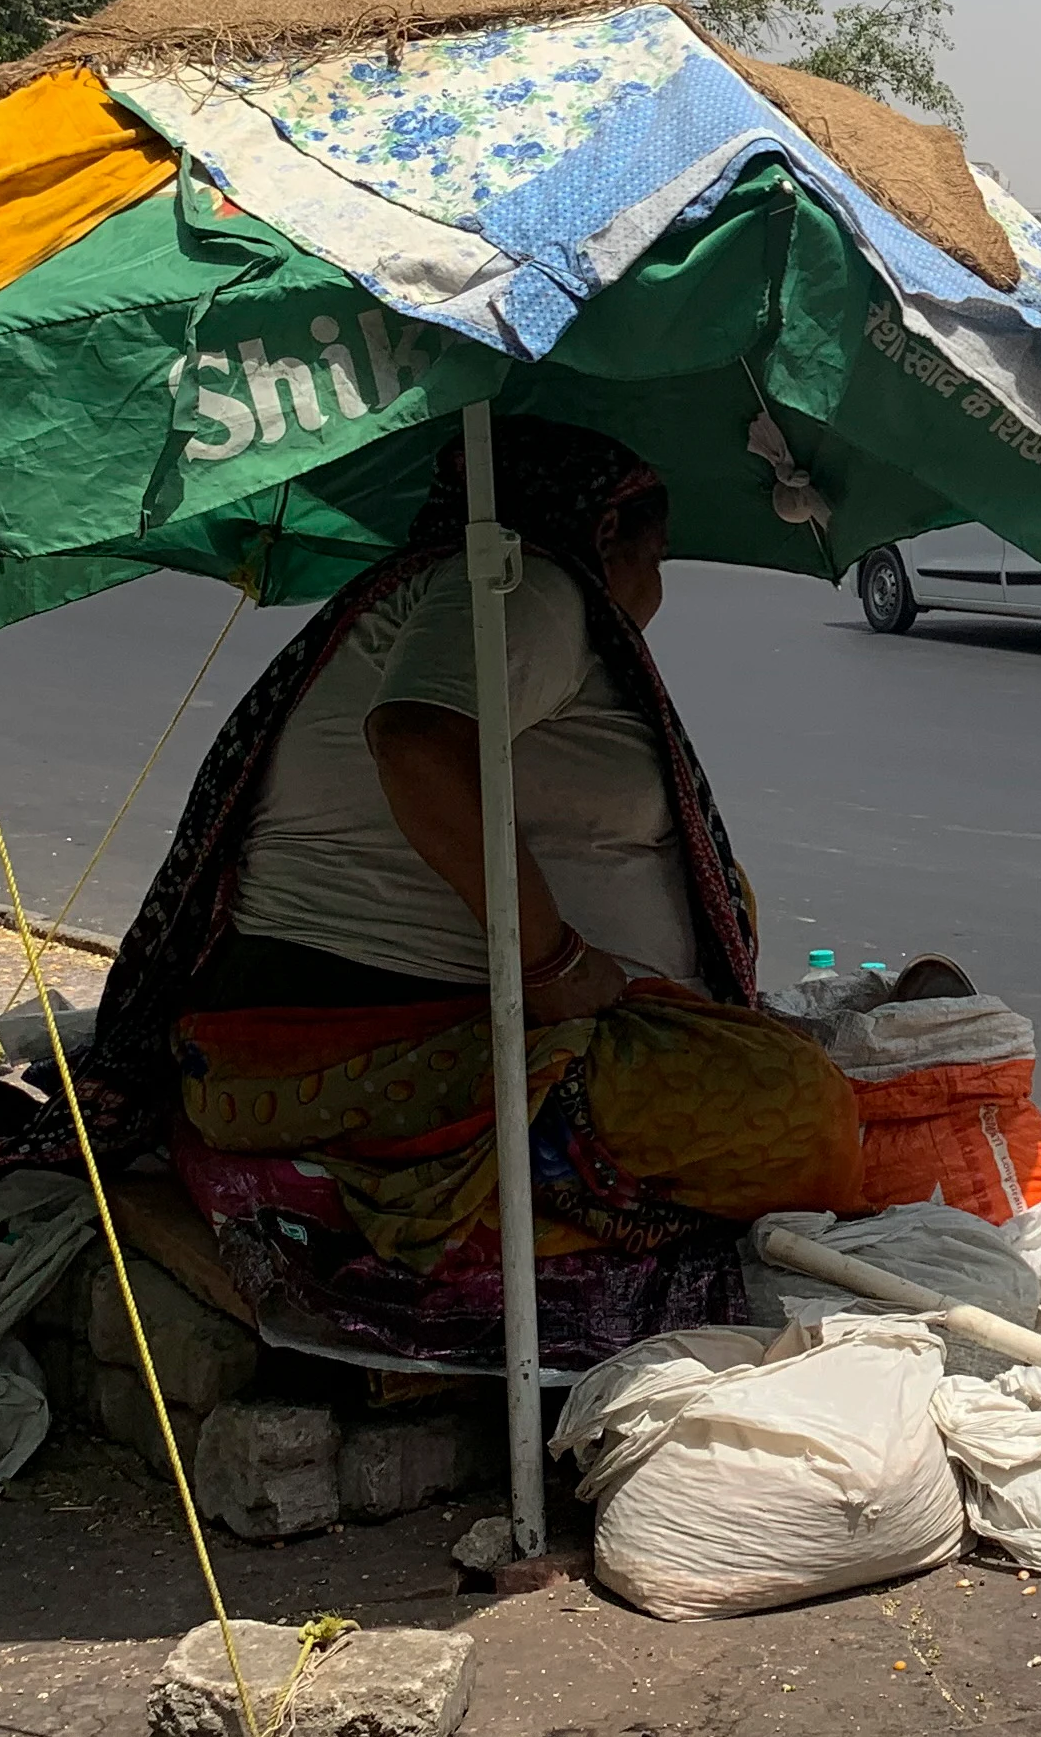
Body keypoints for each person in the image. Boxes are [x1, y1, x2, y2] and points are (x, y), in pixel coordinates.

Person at [80, 416, 855, 1360]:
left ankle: (531, 1185)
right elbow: (416, 740)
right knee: (805, 1115)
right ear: (606, 538)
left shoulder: (452, 596)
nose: (657, 592)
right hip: (378, 1040)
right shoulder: (522, 584)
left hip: (307, 1040)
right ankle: (496, 1213)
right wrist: (556, 961)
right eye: (657, 558)